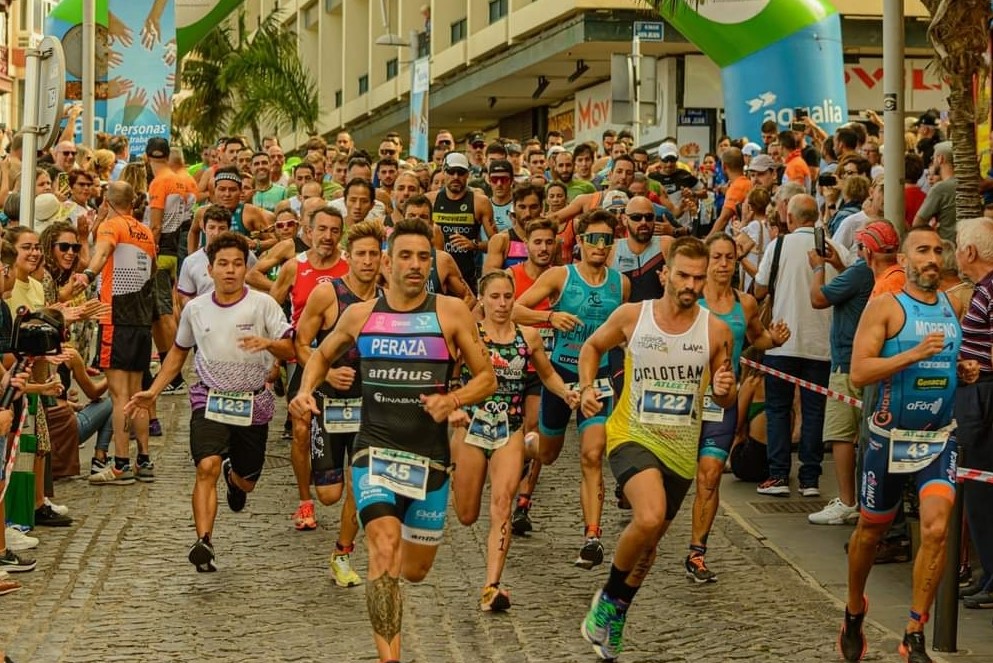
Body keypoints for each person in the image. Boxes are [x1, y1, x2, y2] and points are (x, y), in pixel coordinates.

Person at [289, 218, 496, 663]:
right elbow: (319, 354)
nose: (415, 265)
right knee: (383, 547)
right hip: (374, 451)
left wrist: (453, 399)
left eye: (423, 257)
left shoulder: (450, 313)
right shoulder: (361, 315)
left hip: (430, 459)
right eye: (405, 256)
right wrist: (306, 391)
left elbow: (487, 378)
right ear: (388, 262)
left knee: (415, 571)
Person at [578, 236, 737, 661]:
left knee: (648, 548)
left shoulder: (716, 331)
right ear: (665, 273)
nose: (691, 285)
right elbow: (592, 347)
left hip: (681, 452)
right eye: (683, 275)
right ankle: (607, 600)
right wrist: (588, 387)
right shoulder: (633, 316)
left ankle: (617, 614)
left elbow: (725, 397)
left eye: (698, 279)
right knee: (648, 517)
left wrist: (725, 389)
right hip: (632, 435)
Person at [126, 231, 294, 572]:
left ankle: (235, 478)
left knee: (247, 480)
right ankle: (204, 542)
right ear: (210, 269)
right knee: (206, 467)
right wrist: (153, 391)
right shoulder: (196, 309)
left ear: (245, 268)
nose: (230, 270)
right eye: (223, 264)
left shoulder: (263, 304)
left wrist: (268, 344)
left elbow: (291, 347)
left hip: (252, 402)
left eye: (237, 264)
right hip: (210, 397)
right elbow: (178, 352)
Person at [839, 226, 966, 663]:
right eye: (922, 250)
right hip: (888, 439)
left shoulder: (952, 305)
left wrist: (963, 369)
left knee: (936, 528)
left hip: (937, 438)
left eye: (937, 251)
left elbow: (948, 362)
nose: (932, 258)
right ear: (904, 261)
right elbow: (859, 372)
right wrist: (912, 355)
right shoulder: (886, 307)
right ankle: (854, 609)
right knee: (870, 531)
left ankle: (915, 632)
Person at [451, 270, 578, 611]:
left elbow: (547, 374)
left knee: (502, 503)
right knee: (466, 514)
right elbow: (449, 376)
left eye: (508, 296)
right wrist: (453, 405)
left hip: (510, 427)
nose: (502, 303)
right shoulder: (469, 334)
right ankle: (530, 448)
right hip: (472, 428)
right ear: (482, 299)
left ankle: (492, 586)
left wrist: (567, 393)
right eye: (495, 297)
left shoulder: (528, 336)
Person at [514, 209, 630, 568]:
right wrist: (550, 316)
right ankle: (523, 447)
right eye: (593, 238)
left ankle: (592, 537)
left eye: (606, 239)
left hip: (599, 380)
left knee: (592, 455)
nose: (600, 245)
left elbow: (624, 331)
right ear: (580, 241)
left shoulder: (621, 284)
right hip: (561, 375)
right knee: (548, 454)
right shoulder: (560, 276)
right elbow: (514, 310)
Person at [684, 234, 791, 582]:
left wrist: (774, 339)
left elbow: (757, 338)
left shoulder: (744, 303)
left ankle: (697, 553)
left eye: (729, 258)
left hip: (722, 401)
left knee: (711, 474)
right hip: (683, 398)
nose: (723, 264)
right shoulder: (689, 297)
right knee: (674, 478)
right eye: (716, 257)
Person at [294, 220, 385, 588]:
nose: (368, 261)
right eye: (361, 254)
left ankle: (342, 554)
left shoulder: (389, 298)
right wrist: (328, 374)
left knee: (360, 482)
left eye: (374, 254)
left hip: (370, 405)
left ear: (382, 258)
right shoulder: (327, 294)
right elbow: (301, 344)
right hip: (330, 403)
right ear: (349, 256)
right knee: (330, 495)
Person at [754, 194, 844, 496]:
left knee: (778, 409)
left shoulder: (778, 245)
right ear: (816, 216)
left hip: (782, 341)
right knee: (814, 411)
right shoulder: (834, 248)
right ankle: (810, 479)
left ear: (790, 218)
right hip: (820, 344)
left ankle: (778, 475)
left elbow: (760, 289)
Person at [271, 204, 349, 530]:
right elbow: (271, 308)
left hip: (345, 362)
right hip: (304, 358)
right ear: (309, 232)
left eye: (334, 231)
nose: (328, 236)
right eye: (322, 229)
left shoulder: (352, 265)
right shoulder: (294, 266)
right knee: (301, 429)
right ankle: (305, 502)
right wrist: (275, 355)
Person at [82, 182, 158, 486]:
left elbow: (102, 252)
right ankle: (144, 460)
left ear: (107, 200)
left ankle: (121, 464)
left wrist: (88, 274)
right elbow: (152, 271)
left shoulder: (112, 226)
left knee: (119, 396)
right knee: (138, 394)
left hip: (115, 318)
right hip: (141, 320)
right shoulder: (145, 232)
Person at [805, 225, 876, 526]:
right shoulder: (873, 273)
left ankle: (847, 501)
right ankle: (865, 499)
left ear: (866, 249)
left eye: (859, 246)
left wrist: (818, 267)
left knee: (841, 433)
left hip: (847, 362)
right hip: (869, 361)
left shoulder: (861, 271)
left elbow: (818, 298)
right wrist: (838, 265)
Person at [953, 217, 993, 607]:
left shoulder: (991, 289)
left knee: (981, 489)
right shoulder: (982, 289)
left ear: (969, 251)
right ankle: (989, 576)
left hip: (983, 397)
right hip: (977, 393)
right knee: (977, 490)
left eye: (956, 246)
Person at [428, 152, 496, 292]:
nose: (455, 177)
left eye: (460, 172)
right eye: (451, 172)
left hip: (466, 278)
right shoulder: (430, 200)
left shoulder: (480, 202)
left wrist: (474, 245)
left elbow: (498, 244)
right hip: (437, 276)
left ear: (467, 174)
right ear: (443, 172)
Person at [177, 205, 258, 305]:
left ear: (229, 229)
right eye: (212, 227)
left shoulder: (245, 256)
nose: (216, 233)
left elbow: (257, 284)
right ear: (204, 228)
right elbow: (184, 296)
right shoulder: (190, 262)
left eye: (222, 228)